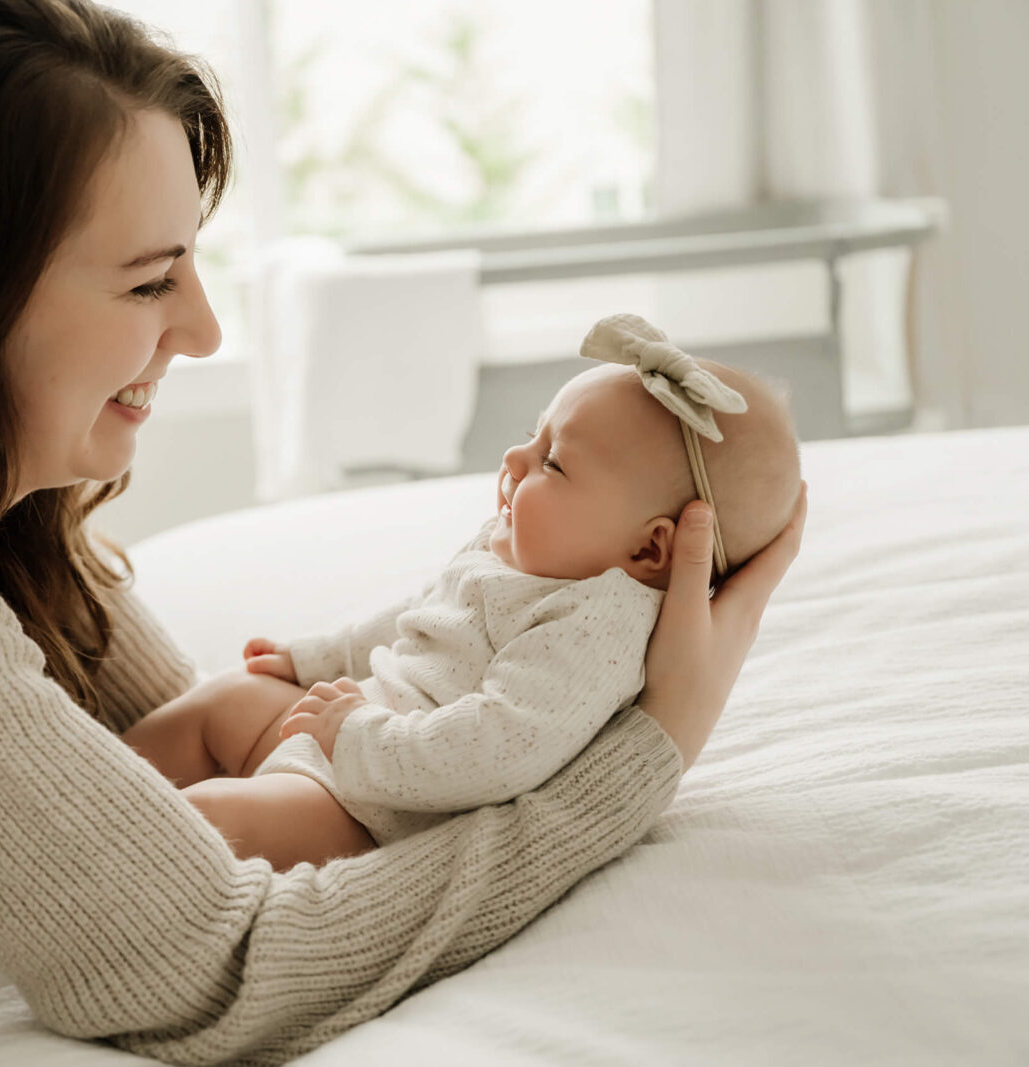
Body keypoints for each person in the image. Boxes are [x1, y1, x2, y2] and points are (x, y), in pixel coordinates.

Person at [0, 1, 807, 1065]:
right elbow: (232, 965)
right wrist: (643, 753)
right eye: (148, 279)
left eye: (191, 264)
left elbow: (198, 786)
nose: (202, 330)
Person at [123, 316, 803, 868]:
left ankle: (102, 845)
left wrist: (359, 737)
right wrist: (318, 657)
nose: (515, 460)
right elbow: (419, 614)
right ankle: (83, 788)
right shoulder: (515, 546)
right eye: (534, 436)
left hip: (374, 805)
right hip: (347, 729)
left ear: (650, 548)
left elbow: (498, 746)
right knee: (222, 700)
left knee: (214, 815)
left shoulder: (597, 624)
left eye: (554, 461)